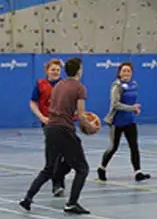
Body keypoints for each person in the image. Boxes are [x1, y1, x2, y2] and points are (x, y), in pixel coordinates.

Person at [19, 57, 97, 214]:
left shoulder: (59, 85)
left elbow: (60, 108)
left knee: (49, 168)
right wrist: (89, 125)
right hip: (64, 130)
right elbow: (81, 114)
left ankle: (27, 199)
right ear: (79, 70)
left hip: (50, 128)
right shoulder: (80, 87)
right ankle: (71, 203)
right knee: (82, 169)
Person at [98, 62, 150, 182]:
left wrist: (134, 110)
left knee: (134, 146)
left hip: (129, 121)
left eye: (128, 71)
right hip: (117, 121)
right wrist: (132, 108)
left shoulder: (134, 84)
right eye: (124, 71)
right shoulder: (117, 85)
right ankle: (102, 168)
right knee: (113, 148)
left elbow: (131, 102)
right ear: (119, 73)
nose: (126, 73)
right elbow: (115, 104)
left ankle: (138, 172)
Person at [29, 59, 71, 197]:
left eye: (58, 70)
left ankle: (58, 181)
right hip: (49, 123)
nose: (55, 72)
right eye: (53, 69)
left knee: (65, 154)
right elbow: (33, 102)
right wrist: (41, 117)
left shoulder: (65, 84)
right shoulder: (40, 84)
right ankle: (57, 184)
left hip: (64, 122)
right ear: (47, 70)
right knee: (55, 152)